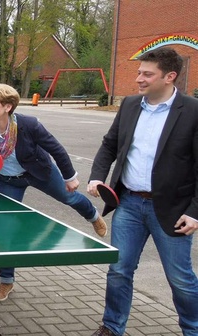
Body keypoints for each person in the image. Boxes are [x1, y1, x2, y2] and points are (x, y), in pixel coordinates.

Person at [0, 83, 107, 302]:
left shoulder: (29, 125)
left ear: (8, 107)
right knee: (4, 230)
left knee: (68, 197)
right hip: (9, 180)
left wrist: (70, 177)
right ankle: (7, 279)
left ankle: (93, 216)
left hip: (39, 172)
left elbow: (55, 148)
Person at [86, 47, 198, 336]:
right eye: (139, 72)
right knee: (119, 270)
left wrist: (195, 213)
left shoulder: (193, 112)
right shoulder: (130, 105)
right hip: (129, 204)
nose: (139, 79)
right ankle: (112, 327)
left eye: (147, 74)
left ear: (169, 77)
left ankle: (193, 329)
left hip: (173, 211)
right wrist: (98, 177)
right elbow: (110, 145)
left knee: (180, 279)